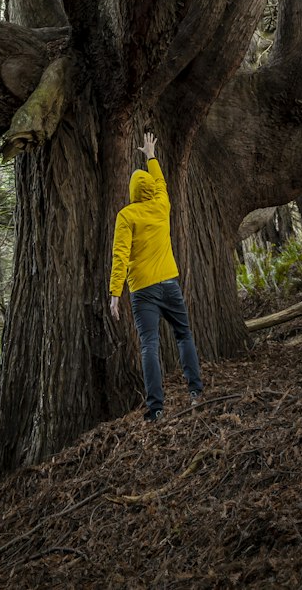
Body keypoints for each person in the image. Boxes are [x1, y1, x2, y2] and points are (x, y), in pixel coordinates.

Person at [108, 130, 203, 422]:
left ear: (133, 190)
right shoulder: (162, 205)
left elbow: (120, 255)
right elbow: (161, 182)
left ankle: (156, 407)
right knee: (183, 334)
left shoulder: (127, 215)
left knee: (149, 345)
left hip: (143, 290)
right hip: (169, 283)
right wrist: (150, 155)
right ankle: (195, 390)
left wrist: (115, 293)